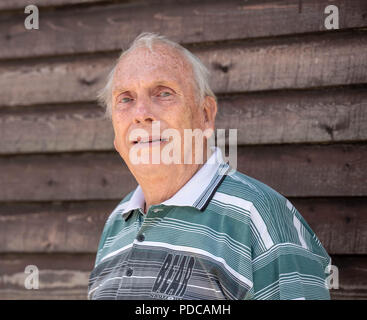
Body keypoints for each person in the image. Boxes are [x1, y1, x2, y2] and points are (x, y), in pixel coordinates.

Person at [88, 32, 331, 300]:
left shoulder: (259, 216)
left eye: (163, 93)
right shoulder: (118, 221)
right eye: (125, 98)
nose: (141, 113)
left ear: (205, 115)